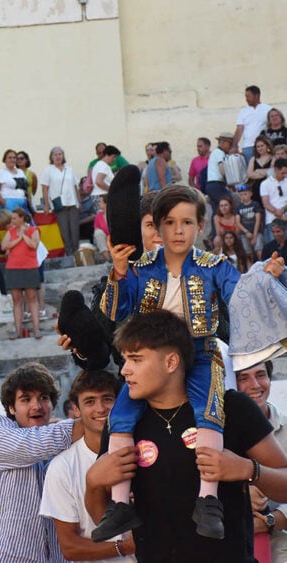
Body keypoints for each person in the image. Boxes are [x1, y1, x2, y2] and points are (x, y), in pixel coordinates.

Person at [95, 184, 285, 542]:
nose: (178, 230)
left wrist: (265, 277)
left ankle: (208, 500)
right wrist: (118, 272)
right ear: (158, 227)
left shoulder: (215, 266)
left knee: (209, 410)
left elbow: (241, 295)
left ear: (201, 227)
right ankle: (120, 504)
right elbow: (114, 311)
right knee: (120, 417)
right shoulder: (140, 267)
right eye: (169, 222)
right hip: (150, 361)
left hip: (198, 353)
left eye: (186, 222)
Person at [85, 310, 287, 562]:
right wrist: (92, 482)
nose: (125, 371)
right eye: (124, 360)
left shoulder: (231, 408)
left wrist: (248, 469)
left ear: (171, 362)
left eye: (136, 360)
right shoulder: (121, 423)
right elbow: (102, 517)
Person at [0, 362, 83, 563]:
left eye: (44, 398)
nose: (36, 406)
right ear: (11, 407)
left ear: (52, 405)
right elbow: (34, 443)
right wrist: (92, 422)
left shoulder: (64, 447)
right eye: (26, 399)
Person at [39, 369, 135, 562]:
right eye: (90, 401)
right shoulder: (62, 467)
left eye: (107, 399)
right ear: (76, 409)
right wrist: (125, 547)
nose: (100, 409)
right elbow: (70, 547)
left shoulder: (145, 450)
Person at [235, 361, 287, 561]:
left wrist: (271, 521)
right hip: (230, 541)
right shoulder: (215, 435)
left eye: (261, 375)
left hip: (280, 541)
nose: (255, 385)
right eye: (243, 378)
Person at [1, 207, 42, 340]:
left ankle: (36, 329)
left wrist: (23, 235)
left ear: (21, 218)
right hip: (13, 268)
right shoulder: (10, 231)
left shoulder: (33, 230)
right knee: (16, 300)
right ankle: (18, 331)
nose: (12, 220)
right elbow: (4, 246)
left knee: (32, 298)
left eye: (14, 218)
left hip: (29, 267)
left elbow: (33, 245)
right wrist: (18, 239)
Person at [41, 146, 81, 256]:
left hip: (72, 203)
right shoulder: (48, 170)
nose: (58, 156)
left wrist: (79, 201)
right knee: (64, 231)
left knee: (75, 231)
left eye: (60, 154)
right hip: (59, 205)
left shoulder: (69, 169)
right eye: (55, 154)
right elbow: (45, 189)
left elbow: (75, 186)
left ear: (63, 156)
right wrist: (46, 205)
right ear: (51, 157)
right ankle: (69, 253)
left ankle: (77, 254)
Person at [233, 85, 272, 163]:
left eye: (248, 96)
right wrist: (234, 146)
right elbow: (239, 129)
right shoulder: (243, 111)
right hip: (247, 147)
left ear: (257, 96)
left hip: (263, 146)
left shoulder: (268, 109)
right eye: (246, 97)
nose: (246, 99)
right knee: (249, 170)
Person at [205, 132, 235, 225]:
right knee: (228, 206)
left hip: (211, 185)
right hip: (217, 184)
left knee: (217, 211)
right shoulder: (220, 153)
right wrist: (230, 183)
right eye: (230, 144)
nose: (230, 146)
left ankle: (214, 235)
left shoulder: (215, 153)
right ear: (223, 143)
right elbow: (222, 170)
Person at [0, 148, 30, 215]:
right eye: (9, 158)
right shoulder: (1, 173)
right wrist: (5, 203)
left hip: (22, 204)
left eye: (14, 158)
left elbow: (25, 189)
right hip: (9, 204)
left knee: (27, 224)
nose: (12, 160)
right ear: (5, 160)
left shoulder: (20, 172)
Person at [234, 183, 264, 262]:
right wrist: (246, 232)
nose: (243, 196)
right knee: (248, 253)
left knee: (259, 250)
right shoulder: (239, 207)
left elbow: (258, 220)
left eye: (245, 194)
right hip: (245, 234)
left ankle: (261, 266)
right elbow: (238, 222)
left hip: (257, 232)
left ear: (250, 194)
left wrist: (254, 235)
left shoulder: (255, 205)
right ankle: (250, 269)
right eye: (241, 195)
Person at [260, 158, 287, 244]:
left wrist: (283, 210)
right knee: (274, 246)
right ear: (275, 170)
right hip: (272, 219)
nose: (285, 175)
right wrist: (276, 212)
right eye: (282, 173)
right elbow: (266, 203)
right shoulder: (265, 184)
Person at [245, 134, 274, 206]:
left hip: (269, 188)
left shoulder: (273, 157)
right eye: (258, 146)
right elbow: (250, 174)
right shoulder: (253, 159)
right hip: (255, 189)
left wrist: (258, 170)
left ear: (267, 146)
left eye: (262, 146)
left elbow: (272, 172)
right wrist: (265, 173)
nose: (260, 148)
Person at [94, 195, 111, 263]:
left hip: (115, 239)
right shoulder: (98, 215)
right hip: (105, 241)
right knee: (98, 233)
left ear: (106, 203)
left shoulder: (115, 214)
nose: (98, 203)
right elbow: (96, 230)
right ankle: (108, 260)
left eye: (100, 202)